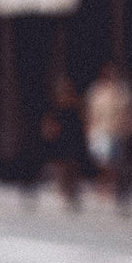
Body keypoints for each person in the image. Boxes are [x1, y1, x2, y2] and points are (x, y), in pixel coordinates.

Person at [85, 62, 132, 214]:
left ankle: (111, 188)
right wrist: (89, 128)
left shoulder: (122, 91)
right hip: (100, 130)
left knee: (114, 162)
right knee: (102, 161)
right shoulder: (97, 90)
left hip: (116, 130)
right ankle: (103, 184)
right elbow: (91, 111)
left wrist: (129, 125)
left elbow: (129, 110)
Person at [41, 76, 86, 211]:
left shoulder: (75, 108)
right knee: (61, 168)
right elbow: (47, 125)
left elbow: (82, 123)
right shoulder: (54, 109)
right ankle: (63, 193)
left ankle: (72, 193)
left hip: (72, 140)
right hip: (60, 141)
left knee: (72, 166)